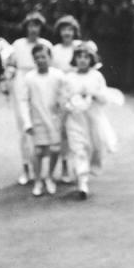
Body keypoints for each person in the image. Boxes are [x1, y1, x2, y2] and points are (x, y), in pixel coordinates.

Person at [62, 41, 122, 199]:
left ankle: (88, 172)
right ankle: (82, 182)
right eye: (79, 57)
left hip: (93, 118)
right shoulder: (69, 77)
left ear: (91, 59)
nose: (82, 60)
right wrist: (72, 103)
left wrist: (94, 95)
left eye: (86, 57)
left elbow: (104, 99)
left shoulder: (96, 76)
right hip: (75, 119)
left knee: (95, 147)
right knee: (78, 147)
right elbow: (64, 99)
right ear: (75, 59)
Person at [3, 12, 53, 185]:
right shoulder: (18, 44)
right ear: (26, 27)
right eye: (30, 25)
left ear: (41, 27)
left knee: (43, 125)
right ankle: (26, 169)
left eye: (36, 25)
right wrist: (7, 78)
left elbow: (51, 69)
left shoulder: (46, 45)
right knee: (24, 127)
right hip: (21, 83)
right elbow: (11, 65)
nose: (33, 29)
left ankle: (44, 171)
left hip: (40, 84)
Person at [20, 44, 65, 197]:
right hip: (37, 119)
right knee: (38, 151)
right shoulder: (29, 78)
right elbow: (24, 101)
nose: (40, 60)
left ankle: (49, 176)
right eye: (37, 57)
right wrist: (27, 122)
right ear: (33, 60)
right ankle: (38, 180)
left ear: (50, 58)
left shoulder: (58, 76)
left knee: (55, 150)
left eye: (43, 56)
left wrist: (61, 108)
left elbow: (64, 96)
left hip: (54, 120)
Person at [51, 14, 82, 183]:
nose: (67, 33)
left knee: (78, 131)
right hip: (62, 93)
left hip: (77, 93)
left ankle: (79, 168)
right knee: (62, 132)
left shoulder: (79, 47)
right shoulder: (55, 50)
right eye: (63, 29)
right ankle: (64, 166)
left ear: (74, 31)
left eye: (70, 29)